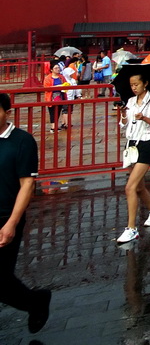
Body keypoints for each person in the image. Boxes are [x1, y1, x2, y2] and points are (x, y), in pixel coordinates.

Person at [0, 93, 51, 333]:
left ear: (6, 112)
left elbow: (27, 185)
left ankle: (36, 301)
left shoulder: (22, 141)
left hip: (5, 216)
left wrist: (12, 222)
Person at [117, 71, 150, 243]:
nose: (134, 87)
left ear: (145, 83)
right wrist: (123, 114)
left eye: (136, 84)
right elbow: (124, 125)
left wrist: (144, 117)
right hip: (131, 144)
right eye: (131, 85)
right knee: (138, 187)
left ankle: (131, 228)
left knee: (130, 187)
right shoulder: (130, 101)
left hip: (146, 143)